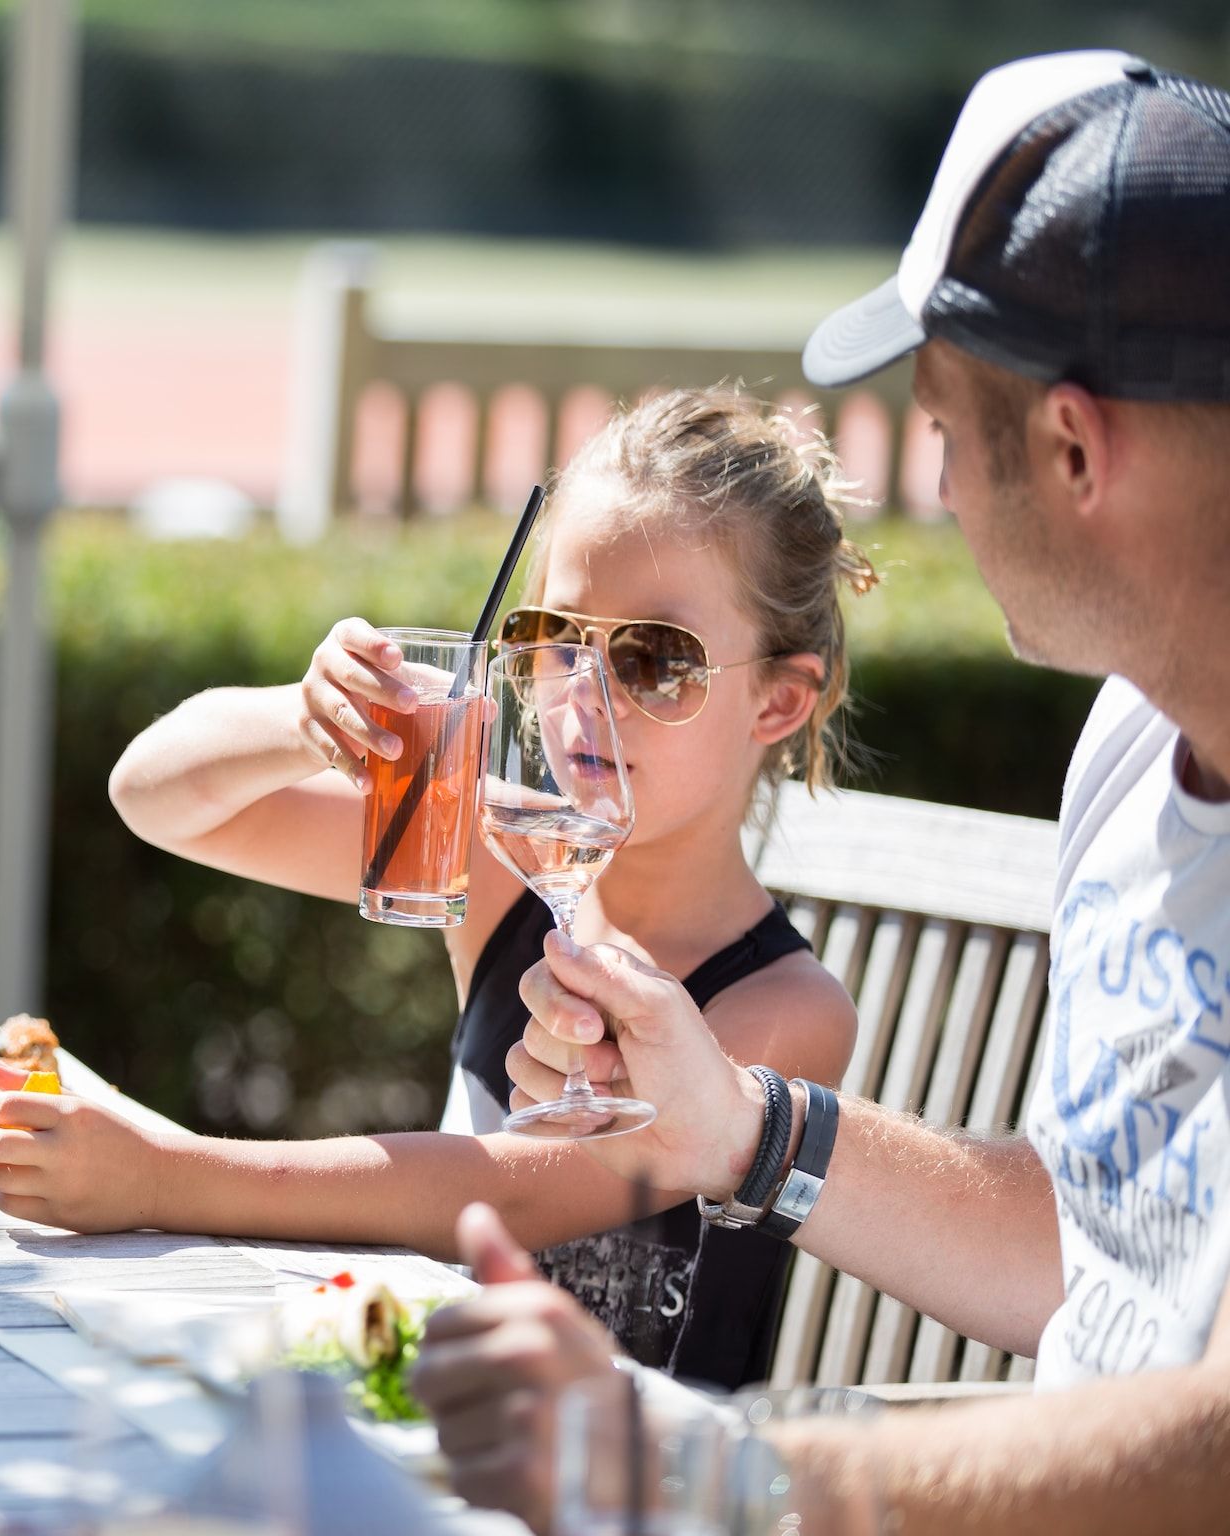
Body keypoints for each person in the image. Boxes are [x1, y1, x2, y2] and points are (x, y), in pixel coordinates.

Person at [412, 50, 1230, 1536]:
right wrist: (736, 1123)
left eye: (934, 429)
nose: (938, 495)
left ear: (1071, 445)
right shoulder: (1133, 741)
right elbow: (1081, 1249)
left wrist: (714, 1470)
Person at [0, 384, 867, 1389]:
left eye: (654, 659)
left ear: (777, 701)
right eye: (553, 636)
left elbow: (514, 1195)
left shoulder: (784, 1013)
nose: (582, 695)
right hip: (439, 1427)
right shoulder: (498, 859)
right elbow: (155, 797)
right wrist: (301, 720)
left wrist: (161, 1176)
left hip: (635, 1480)